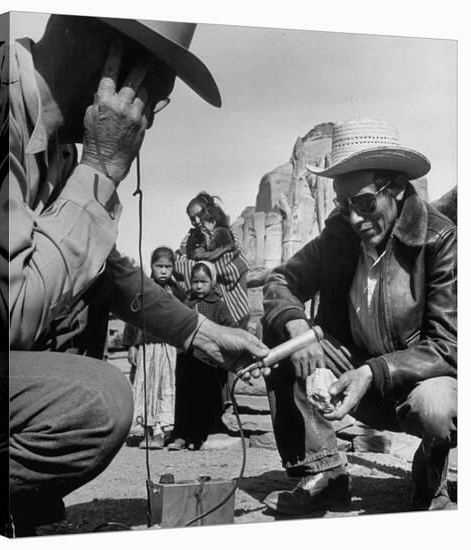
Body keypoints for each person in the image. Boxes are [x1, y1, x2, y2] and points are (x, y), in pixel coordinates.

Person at [0, 15, 270, 536]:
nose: (149, 120)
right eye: (154, 95)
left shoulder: (60, 147)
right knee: (98, 401)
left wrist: (200, 333)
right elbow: (5, 318)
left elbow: (110, 273)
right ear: (113, 61)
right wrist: (101, 170)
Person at [261, 118, 457, 515]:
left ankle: (431, 469)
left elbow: (448, 346)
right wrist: (299, 328)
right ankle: (325, 475)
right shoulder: (340, 234)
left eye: (365, 203)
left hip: (415, 379)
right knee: (284, 340)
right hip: (352, 366)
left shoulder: (439, 239)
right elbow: (281, 280)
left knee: (436, 409)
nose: (354, 218)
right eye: (343, 204)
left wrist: (372, 373)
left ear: (398, 188)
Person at [123, 247, 185, 449]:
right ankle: (148, 431)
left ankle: (161, 431)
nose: (164, 271)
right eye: (159, 266)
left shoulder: (178, 292)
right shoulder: (143, 289)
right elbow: (132, 318)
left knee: (165, 388)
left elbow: (185, 318)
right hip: (147, 348)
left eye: (168, 266)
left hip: (168, 348)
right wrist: (132, 345)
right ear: (152, 266)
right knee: (147, 386)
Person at [168, 262, 235, 450]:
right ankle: (180, 435)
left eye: (203, 282)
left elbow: (230, 328)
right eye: (195, 281)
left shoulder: (219, 305)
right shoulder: (187, 303)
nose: (198, 286)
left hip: (209, 364)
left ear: (212, 282)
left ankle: (197, 437)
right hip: (187, 360)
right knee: (184, 399)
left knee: (204, 400)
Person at [176, 192, 250, 328]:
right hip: (204, 307)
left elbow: (235, 260)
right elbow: (179, 262)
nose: (197, 221)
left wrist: (200, 266)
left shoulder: (227, 232)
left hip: (231, 303)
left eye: (199, 215)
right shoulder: (190, 238)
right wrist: (205, 268)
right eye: (192, 219)